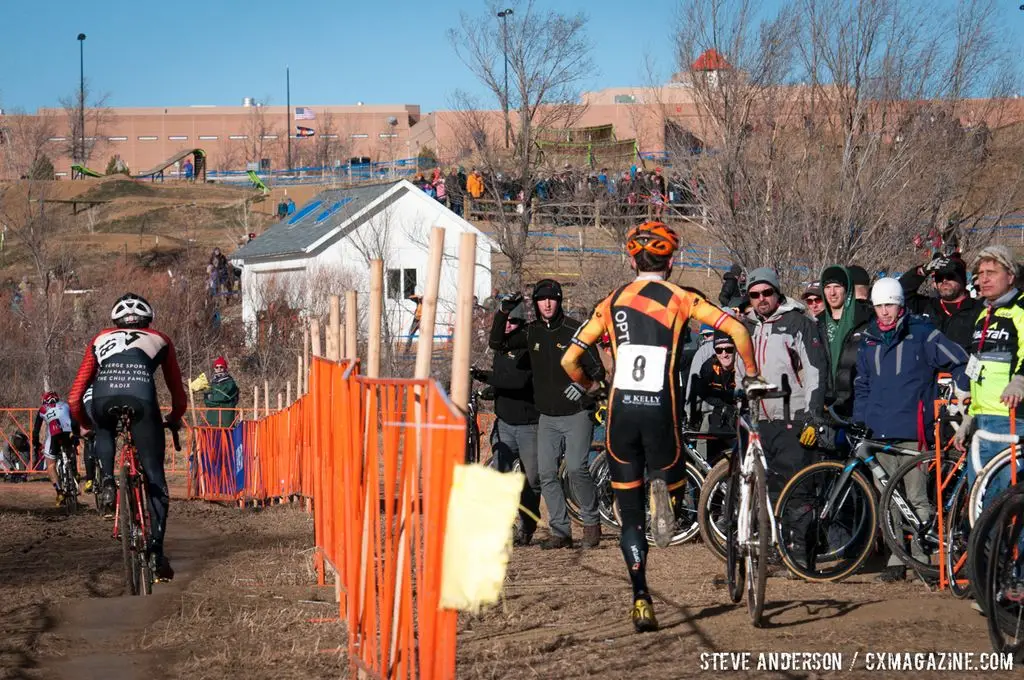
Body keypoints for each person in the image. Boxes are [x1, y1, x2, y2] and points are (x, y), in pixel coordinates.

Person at [561, 221, 767, 633]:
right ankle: (668, 499)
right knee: (670, 487)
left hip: (621, 411)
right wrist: (753, 371)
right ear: (670, 260)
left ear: (631, 258)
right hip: (660, 409)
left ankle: (640, 597)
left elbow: (569, 361)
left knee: (629, 516)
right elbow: (737, 329)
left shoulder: (611, 301)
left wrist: (594, 387)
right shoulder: (683, 298)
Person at [853, 277, 969, 582]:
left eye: (889, 305)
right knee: (887, 497)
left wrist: (962, 393)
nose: (885, 312)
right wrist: (860, 419)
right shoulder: (869, 339)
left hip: (913, 429)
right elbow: (862, 384)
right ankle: (896, 558)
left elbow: (959, 360)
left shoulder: (923, 334)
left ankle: (921, 557)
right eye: (879, 306)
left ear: (901, 304)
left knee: (916, 497)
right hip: (878, 431)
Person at [69, 293, 187, 582]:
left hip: (103, 399)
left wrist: (86, 423)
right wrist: (173, 418)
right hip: (143, 402)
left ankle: (107, 483)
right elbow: (177, 393)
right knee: (156, 476)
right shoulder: (160, 339)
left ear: (115, 321)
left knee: (105, 428)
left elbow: (75, 396)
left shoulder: (100, 339)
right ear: (149, 319)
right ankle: (157, 552)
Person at [490, 279, 605, 551]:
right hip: (547, 417)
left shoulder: (575, 330)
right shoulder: (531, 333)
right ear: (536, 303)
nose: (548, 303)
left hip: (577, 413)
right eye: (542, 299)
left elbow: (598, 370)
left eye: (552, 298)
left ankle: (591, 523)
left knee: (577, 468)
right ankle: (561, 531)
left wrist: (583, 385)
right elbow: (497, 342)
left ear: (560, 300)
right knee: (546, 474)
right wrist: (504, 311)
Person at [743, 267, 830, 572]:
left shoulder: (798, 322)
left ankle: (802, 558)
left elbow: (816, 370)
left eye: (767, 292)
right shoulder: (747, 326)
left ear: (778, 292)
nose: (761, 299)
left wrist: (813, 415)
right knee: (768, 492)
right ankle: (778, 553)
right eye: (755, 294)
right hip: (759, 422)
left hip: (793, 417)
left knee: (798, 492)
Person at [954, 246, 1024, 510]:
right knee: (979, 500)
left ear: (1010, 276)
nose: (983, 278)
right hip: (982, 422)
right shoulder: (983, 314)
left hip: (1012, 421)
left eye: (991, 273)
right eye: (980, 273)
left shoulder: (1020, 309)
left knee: (1007, 502)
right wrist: (968, 417)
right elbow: (977, 369)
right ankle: (985, 552)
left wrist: (1020, 381)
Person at [471, 302, 541, 545]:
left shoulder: (528, 347)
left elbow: (518, 382)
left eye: (513, 321)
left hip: (529, 425)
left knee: (531, 481)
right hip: (505, 424)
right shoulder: (500, 350)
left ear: (521, 323)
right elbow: (503, 382)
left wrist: (485, 377)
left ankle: (528, 525)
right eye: (506, 321)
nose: (508, 326)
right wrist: (489, 390)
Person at [817, 265, 874, 417]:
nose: (832, 292)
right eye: (827, 287)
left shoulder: (864, 320)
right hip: (825, 406)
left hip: (856, 404)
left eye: (837, 286)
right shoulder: (818, 324)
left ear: (847, 289)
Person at [898, 252, 980, 352]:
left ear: (963, 280)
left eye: (950, 276)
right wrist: (923, 270)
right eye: (939, 278)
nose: (944, 280)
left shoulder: (978, 310)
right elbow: (900, 292)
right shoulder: (928, 306)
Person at [690, 331, 739, 464]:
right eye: (719, 349)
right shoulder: (709, 366)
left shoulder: (742, 365)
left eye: (728, 349)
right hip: (718, 410)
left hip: (739, 411)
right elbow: (701, 391)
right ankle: (707, 476)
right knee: (706, 442)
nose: (724, 354)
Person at [32, 391, 81, 506]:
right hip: (67, 432)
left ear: (45, 401)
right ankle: (74, 472)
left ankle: (59, 492)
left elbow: (36, 431)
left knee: (50, 465)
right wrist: (76, 435)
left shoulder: (42, 409)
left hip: (54, 435)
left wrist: (36, 444)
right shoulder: (65, 405)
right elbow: (75, 421)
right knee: (71, 450)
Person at [203, 356, 240, 428]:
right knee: (211, 438)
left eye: (221, 367)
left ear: (225, 368)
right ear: (214, 369)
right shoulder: (212, 383)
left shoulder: (230, 383)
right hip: (212, 419)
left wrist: (211, 398)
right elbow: (207, 402)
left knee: (226, 438)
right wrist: (214, 399)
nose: (219, 369)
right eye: (216, 367)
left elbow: (223, 397)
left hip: (225, 420)